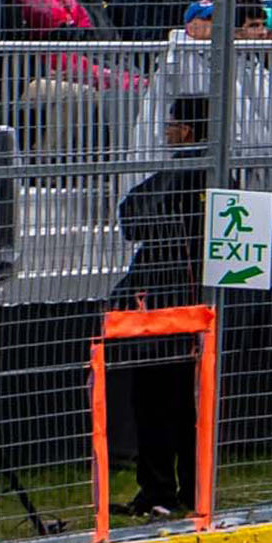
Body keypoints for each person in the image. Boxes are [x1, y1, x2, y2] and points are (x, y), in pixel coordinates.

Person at [108, 92, 218, 520]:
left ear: (185, 131)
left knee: (155, 397)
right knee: (184, 401)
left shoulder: (182, 173)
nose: (166, 131)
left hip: (167, 305)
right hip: (198, 304)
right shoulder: (220, 172)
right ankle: (188, 488)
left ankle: (158, 490)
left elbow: (132, 217)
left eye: (171, 124)